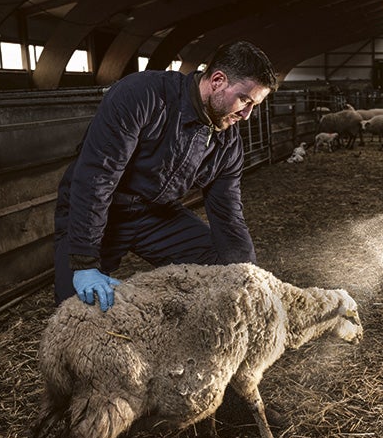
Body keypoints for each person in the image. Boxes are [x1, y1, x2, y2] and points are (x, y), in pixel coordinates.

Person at [53, 40, 278, 311]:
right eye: (245, 100)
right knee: (76, 310)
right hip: (100, 208)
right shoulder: (142, 95)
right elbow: (97, 178)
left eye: (255, 105)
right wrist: (84, 263)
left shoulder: (227, 144)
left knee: (225, 272)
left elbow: (228, 215)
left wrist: (249, 277)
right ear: (218, 80)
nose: (247, 115)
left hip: (155, 215)